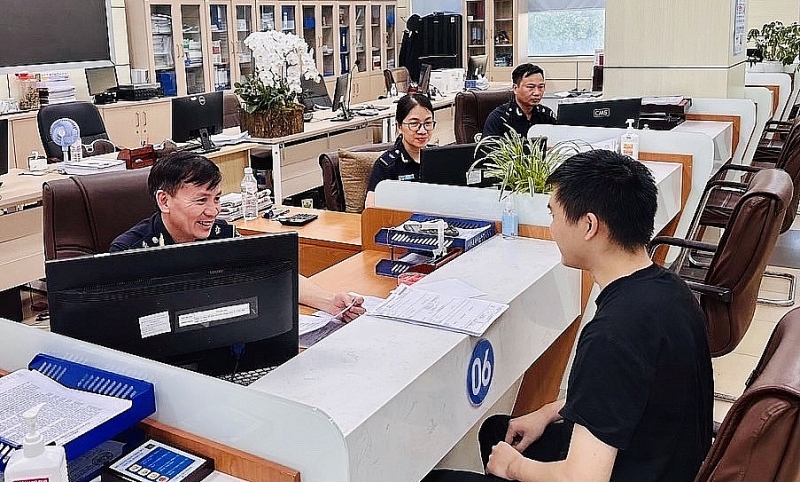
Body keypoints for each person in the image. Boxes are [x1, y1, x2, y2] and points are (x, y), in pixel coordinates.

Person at [423, 149, 713, 482]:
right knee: (498, 431)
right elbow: (628, 392)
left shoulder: (613, 334)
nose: (553, 228)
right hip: (664, 459)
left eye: (555, 216)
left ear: (589, 226)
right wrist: (549, 411)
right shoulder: (671, 291)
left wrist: (514, 467)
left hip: (619, 471)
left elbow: (584, 479)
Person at [110, 151, 365, 321]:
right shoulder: (130, 252)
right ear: (164, 201)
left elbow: (274, 275)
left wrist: (331, 302)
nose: (213, 211)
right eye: (201, 200)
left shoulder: (223, 233)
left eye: (217, 198)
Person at [364, 93, 435, 208]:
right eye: (414, 124)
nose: (422, 131)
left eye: (427, 123)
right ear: (399, 126)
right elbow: (371, 209)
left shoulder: (440, 158)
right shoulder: (386, 165)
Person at [482, 63, 556, 139]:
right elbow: (487, 149)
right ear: (515, 88)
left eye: (541, 87)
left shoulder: (547, 115)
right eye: (530, 87)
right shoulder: (499, 118)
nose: (537, 93)